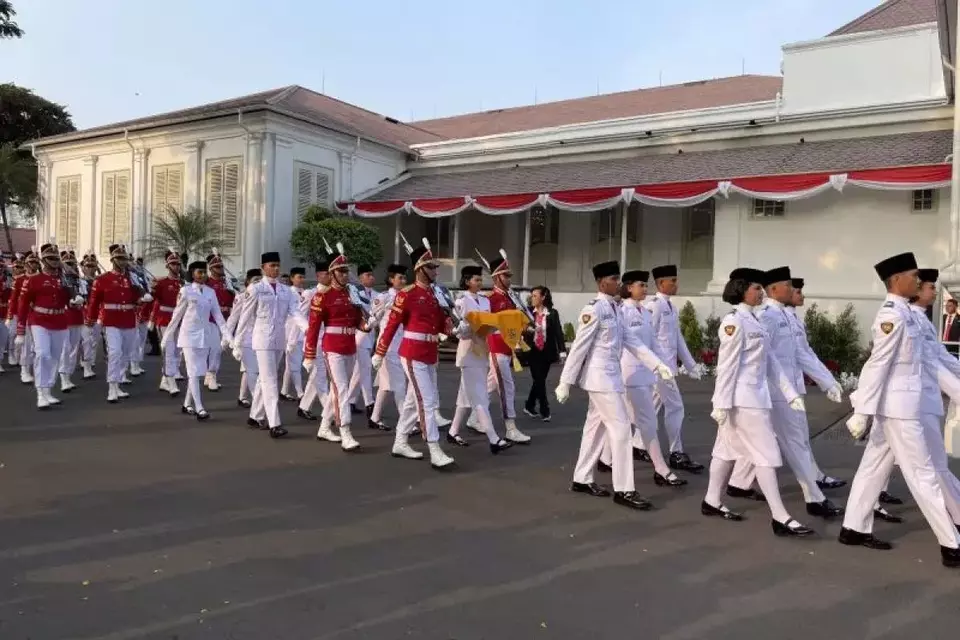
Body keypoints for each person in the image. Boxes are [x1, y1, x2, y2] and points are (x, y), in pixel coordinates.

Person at [840, 253, 960, 566]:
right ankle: (951, 545)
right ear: (897, 280)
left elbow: (932, 361)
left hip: (909, 404)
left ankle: (853, 527)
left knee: (874, 467)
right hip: (899, 409)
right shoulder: (890, 316)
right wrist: (862, 411)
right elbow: (877, 365)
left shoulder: (909, 315)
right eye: (915, 276)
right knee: (924, 475)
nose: (920, 282)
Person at [723, 267, 845, 519]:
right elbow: (762, 359)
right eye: (788, 285)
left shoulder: (788, 316)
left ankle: (738, 483)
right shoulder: (765, 315)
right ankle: (814, 497)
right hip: (772, 392)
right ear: (774, 289)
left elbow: (803, 353)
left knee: (765, 443)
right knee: (795, 444)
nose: (792, 290)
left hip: (788, 390)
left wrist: (827, 381)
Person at [702, 268, 814, 537]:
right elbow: (727, 367)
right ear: (741, 290)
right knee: (766, 456)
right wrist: (719, 404)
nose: (761, 292)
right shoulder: (734, 323)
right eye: (755, 288)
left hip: (753, 397)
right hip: (743, 401)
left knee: (726, 451)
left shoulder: (756, 321)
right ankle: (780, 516)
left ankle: (711, 501)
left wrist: (790, 394)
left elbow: (771, 364)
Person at [556, 260, 674, 511]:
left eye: (619, 279)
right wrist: (565, 382)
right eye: (614, 279)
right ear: (602, 283)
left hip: (612, 378)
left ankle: (582, 478)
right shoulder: (595, 309)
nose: (619, 283)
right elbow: (579, 348)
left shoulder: (616, 309)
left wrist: (657, 365)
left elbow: (633, 342)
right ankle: (624, 489)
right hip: (600, 379)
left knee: (595, 429)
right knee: (620, 430)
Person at [373, 237, 456, 469]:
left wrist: (453, 327)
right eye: (431, 267)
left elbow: (441, 324)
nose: (435, 271)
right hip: (412, 352)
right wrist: (380, 352)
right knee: (427, 401)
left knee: (412, 401)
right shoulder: (406, 294)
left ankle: (400, 441)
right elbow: (391, 325)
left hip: (429, 352)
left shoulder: (433, 294)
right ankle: (434, 448)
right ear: (420, 269)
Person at [599, 270, 686, 486]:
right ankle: (661, 469)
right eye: (641, 285)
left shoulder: (645, 313)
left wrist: (662, 365)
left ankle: (604, 458)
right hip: (629, 375)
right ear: (629, 288)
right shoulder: (622, 313)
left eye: (646, 286)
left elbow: (653, 344)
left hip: (645, 375)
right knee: (646, 422)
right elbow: (619, 346)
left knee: (625, 421)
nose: (645, 289)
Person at [233, 251, 307, 437]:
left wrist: (308, 329)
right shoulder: (256, 289)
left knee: (264, 379)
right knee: (270, 380)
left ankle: (255, 415)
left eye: (277, 265)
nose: (275, 268)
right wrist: (238, 342)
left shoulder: (285, 291)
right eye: (271, 265)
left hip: (279, 339)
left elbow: (295, 313)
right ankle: (274, 423)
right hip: (262, 339)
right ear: (263, 267)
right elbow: (245, 316)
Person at [304, 244, 367, 451]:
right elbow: (313, 328)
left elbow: (358, 320)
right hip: (332, 346)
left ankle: (324, 426)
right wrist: (309, 355)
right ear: (332, 273)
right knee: (341, 389)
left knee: (339, 390)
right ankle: (345, 431)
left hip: (349, 344)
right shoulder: (322, 297)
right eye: (341, 271)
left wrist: (369, 324)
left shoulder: (352, 294)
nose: (346, 274)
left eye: (347, 270)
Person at [446, 265, 513, 453]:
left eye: (480, 279)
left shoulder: (485, 301)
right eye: (476, 279)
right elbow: (458, 331)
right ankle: (493, 438)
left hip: (482, 350)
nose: (479, 282)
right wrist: (469, 328)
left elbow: (491, 322)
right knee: (480, 398)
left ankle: (452, 431)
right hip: (468, 352)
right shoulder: (461, 301)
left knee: (465, 395)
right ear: (467, 282)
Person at [644, 264, 703, 473]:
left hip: (666, 368)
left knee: (649, 409)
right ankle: (676, 452)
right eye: (673, 281)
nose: (676, 284)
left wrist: (690, 364)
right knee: (675, 407)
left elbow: (676, 338)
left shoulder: (671, 307)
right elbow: (646, 338)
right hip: (658, 369)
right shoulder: (655, 306)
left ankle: (637, 445)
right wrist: (655, 365)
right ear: (661, 283)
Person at [163, 261, 232, 420]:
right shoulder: (185, 291)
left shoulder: (210, 292)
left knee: (198, 373)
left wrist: (229, 337)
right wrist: (167, 337)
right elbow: (176, 316)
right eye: (199, 272)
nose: (202, 275)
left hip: (204, 337)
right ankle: (199, 407)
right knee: (193, 372)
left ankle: (187, 404)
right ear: (192, 273)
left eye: (204, 272)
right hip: (188, 336)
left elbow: (218, 317)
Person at [85, 244, 153, 403]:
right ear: (112, 260)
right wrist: (91, 319)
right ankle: (112, 386)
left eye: (125, 259)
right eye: (119, 259)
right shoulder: (103, 279)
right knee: (115, 352)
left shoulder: (132, 278)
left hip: (129, 319)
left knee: (126, 352)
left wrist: (142, 299)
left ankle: (120, 379)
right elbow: (94, 302)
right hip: (111, 320)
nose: (123, 262)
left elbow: (137, 297)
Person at [16, 242, 72, 409]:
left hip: (59, 321)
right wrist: (20, 330)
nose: (54, 261)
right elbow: (23, 304)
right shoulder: (34, 280)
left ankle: (48, 389)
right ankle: (40, 393)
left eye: (56, 258)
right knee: (42, 354)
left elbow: (68, 300)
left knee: (54, 357)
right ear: (43, 260)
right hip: (39, 320)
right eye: (50, 258)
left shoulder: (63, 280)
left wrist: (75, 299)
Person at [368, 264, 408, 431]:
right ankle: (406, 423)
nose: (403, 280)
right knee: (399, 384)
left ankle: (375, 417)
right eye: (400, 277)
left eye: (405, 278)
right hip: (387, 346)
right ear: (391, 280)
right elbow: (373, 318)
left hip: (401, 344)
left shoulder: (406, 296)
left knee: (385, 385)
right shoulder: (384, 297)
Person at [297, 258, 332, 425]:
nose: (330, 277)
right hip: (314, 341)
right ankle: (329, 411)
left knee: (316, 376)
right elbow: (298, 317)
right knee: (320, 377)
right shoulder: (310, 294)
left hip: (329, 340)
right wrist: (292, 342)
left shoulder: (332, 293)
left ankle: (304, 407)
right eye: (326, 274)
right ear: (318, 276)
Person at [523, 285, 566, 422]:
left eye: (535, 295)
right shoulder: (528, 312)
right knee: (540, 380)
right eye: (532, 296)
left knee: (538, 381)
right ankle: (544, 409)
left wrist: (562, 351)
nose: (532, 298)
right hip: (533, 351)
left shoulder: (552, 313)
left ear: (543, 297)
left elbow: (558, 333)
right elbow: (521, 328)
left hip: (547, 352)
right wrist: (528, 330)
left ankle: (529, 405)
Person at [225, 268, 261, 408]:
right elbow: (233, 318)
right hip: (246, 338)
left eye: (260, 280)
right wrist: (227, 338)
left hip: (261, 338)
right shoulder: (241, 297)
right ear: (248, 282)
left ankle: (242, 397)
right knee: (253, 370)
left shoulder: (266, 297)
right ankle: (256, 401)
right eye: (255, 280)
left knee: (248, 369)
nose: (258, 283)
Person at [348, 264, 378, 421]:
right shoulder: (354, 293)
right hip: (359, 336)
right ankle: (370, 404)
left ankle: (350, 401)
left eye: (372, 275)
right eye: (368, 275)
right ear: (360, 278)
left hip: (370, 337)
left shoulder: (378, 295)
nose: (371, 277)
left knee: (359, 372)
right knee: (365, 369)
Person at [205, 251, 235, 391]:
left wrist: (233, 291)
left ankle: (209, 374)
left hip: (226, 319)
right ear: (211, 269)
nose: (221, 269)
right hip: (211, 319)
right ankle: (211, 375)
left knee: (217, 349)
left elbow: (233, 300)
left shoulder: (227, 283)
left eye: (221, 266)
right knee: (214, 349)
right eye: (217, 267)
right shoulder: (207, 283)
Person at [57, 249, 85, 393]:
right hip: (64, 317)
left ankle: (68, 375)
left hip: (77, 317)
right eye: (67, 263)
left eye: (72, 263)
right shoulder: (59, 280)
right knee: (65, 349)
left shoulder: (79, 281)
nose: (70, 266)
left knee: (74, 349)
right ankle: (63, 378)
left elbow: (85, 296)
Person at [281, 266, 307, 401]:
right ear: (292, 278)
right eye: (299, 277)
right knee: (295, 364)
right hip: (290, 333)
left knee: (290, 364)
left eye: (303, 277)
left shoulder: (306, 293)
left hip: (303, 333)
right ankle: (300, 392)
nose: (302, 280)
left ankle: (284, 390)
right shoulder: (287, 293)